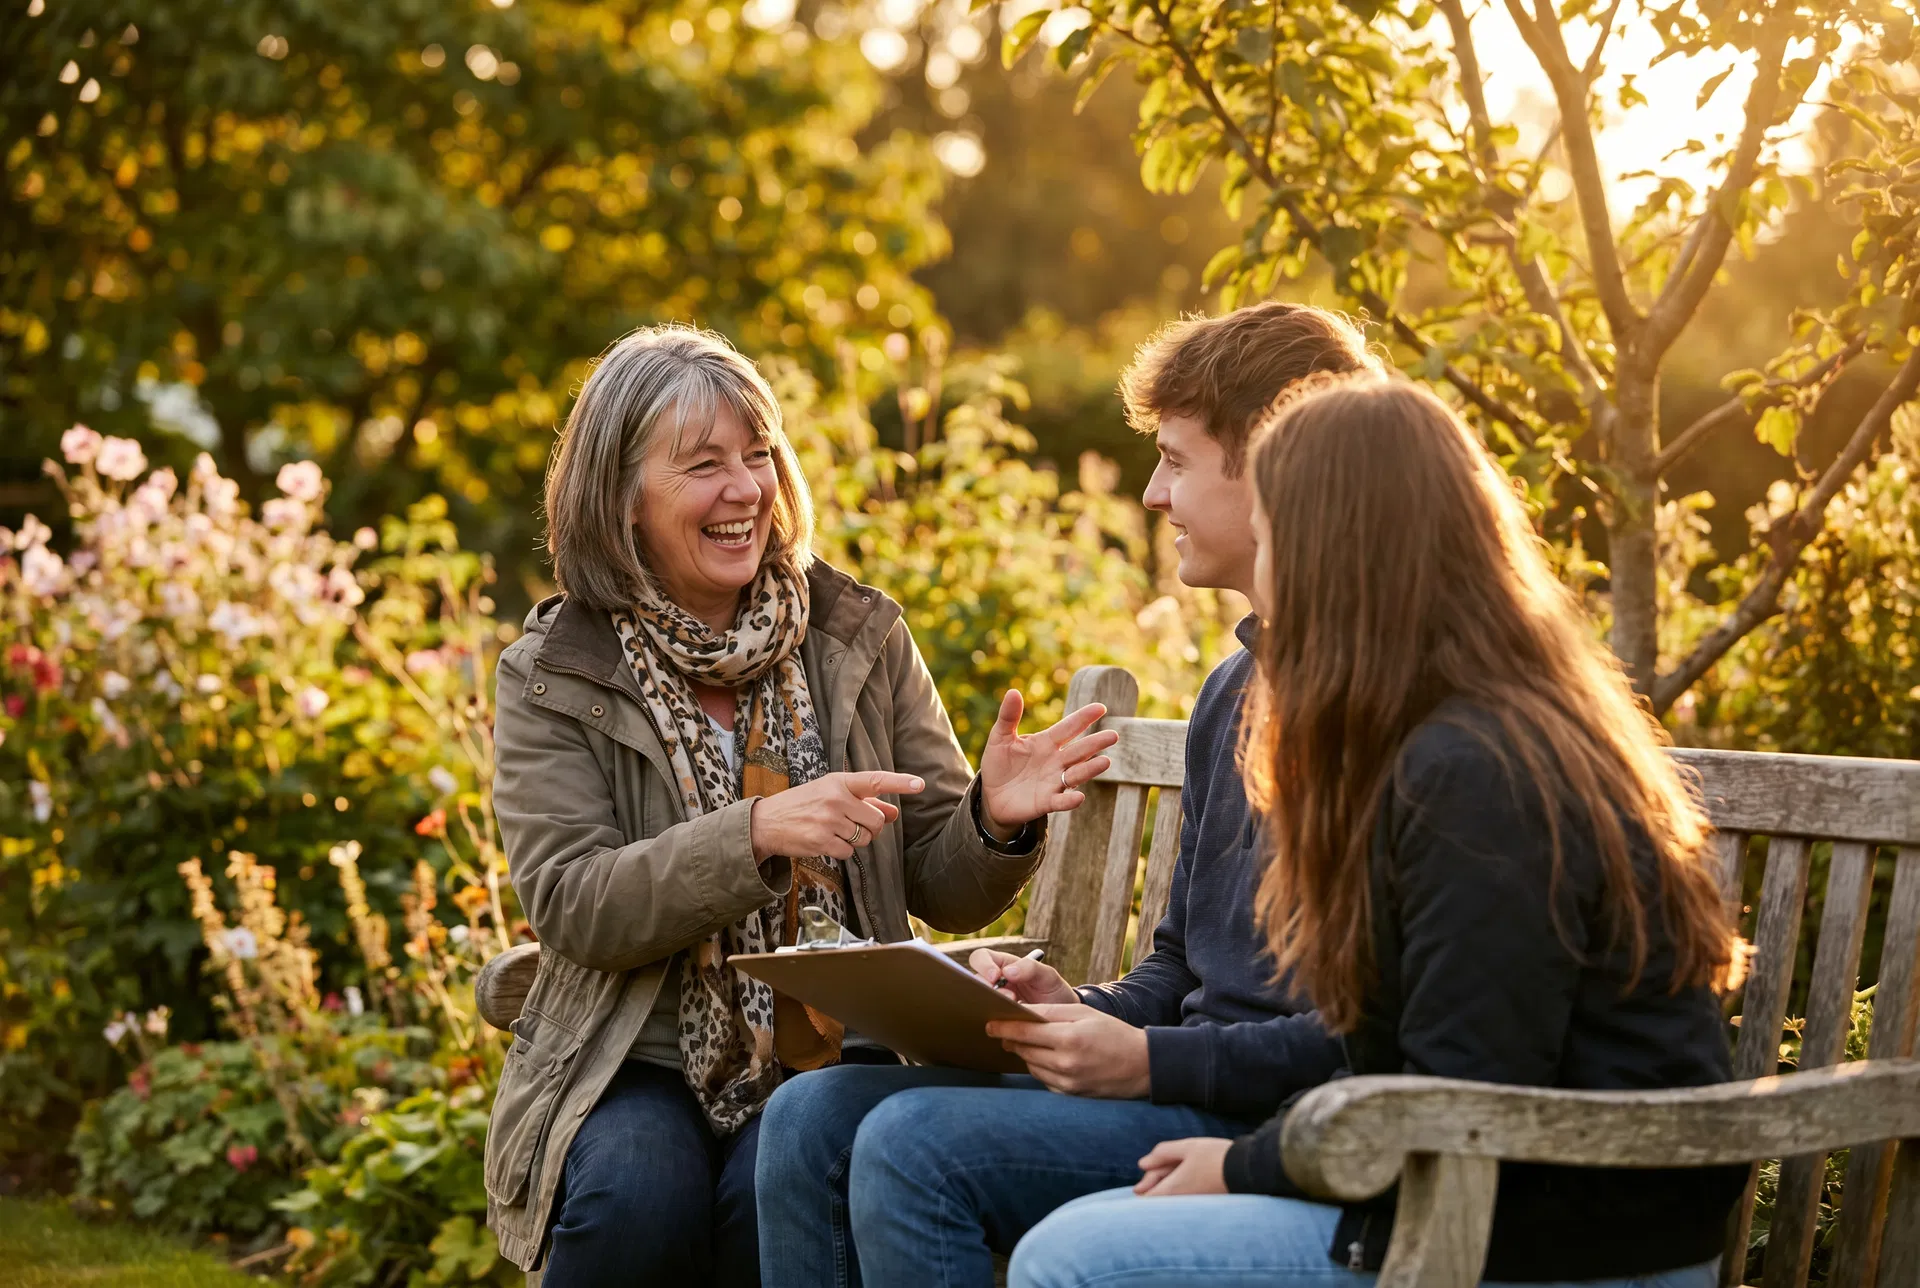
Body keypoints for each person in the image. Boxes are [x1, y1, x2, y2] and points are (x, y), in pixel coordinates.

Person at [1007, 374, 1746, 1288]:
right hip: (1476, 1193)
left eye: (1273, 537)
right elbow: (1390, 1037)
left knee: (1072, 1262)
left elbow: (1459, 1085)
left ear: (1334, 559)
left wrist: (1243, 1167)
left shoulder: (1480, 770)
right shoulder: (1431, 735)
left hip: (1556, 1240)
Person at [755, 303, 1378, 1288]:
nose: (1151, 492)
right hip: (1192, 1088)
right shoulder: (1236, 691)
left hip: (1278, 1122)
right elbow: (1181, 964)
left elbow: (1373, 1034)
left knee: (913, 1143)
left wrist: (1142, 1059)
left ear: (1277, 465)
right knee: (810, 1116)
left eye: (1175, 459)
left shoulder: (1389, 712)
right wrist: (1075, 1005)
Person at [482, 324, 1118, 1288]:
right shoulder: (558, 672)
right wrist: (754, 834)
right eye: (703, 465)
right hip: (635, 1052)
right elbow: (572, 902)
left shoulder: (857, 635)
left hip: (830, 1050)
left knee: (771, 1186)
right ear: (622, 499)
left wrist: (993, 819)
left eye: (759, 455)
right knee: (633, 1196)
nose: (745, 489)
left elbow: (943, 891)